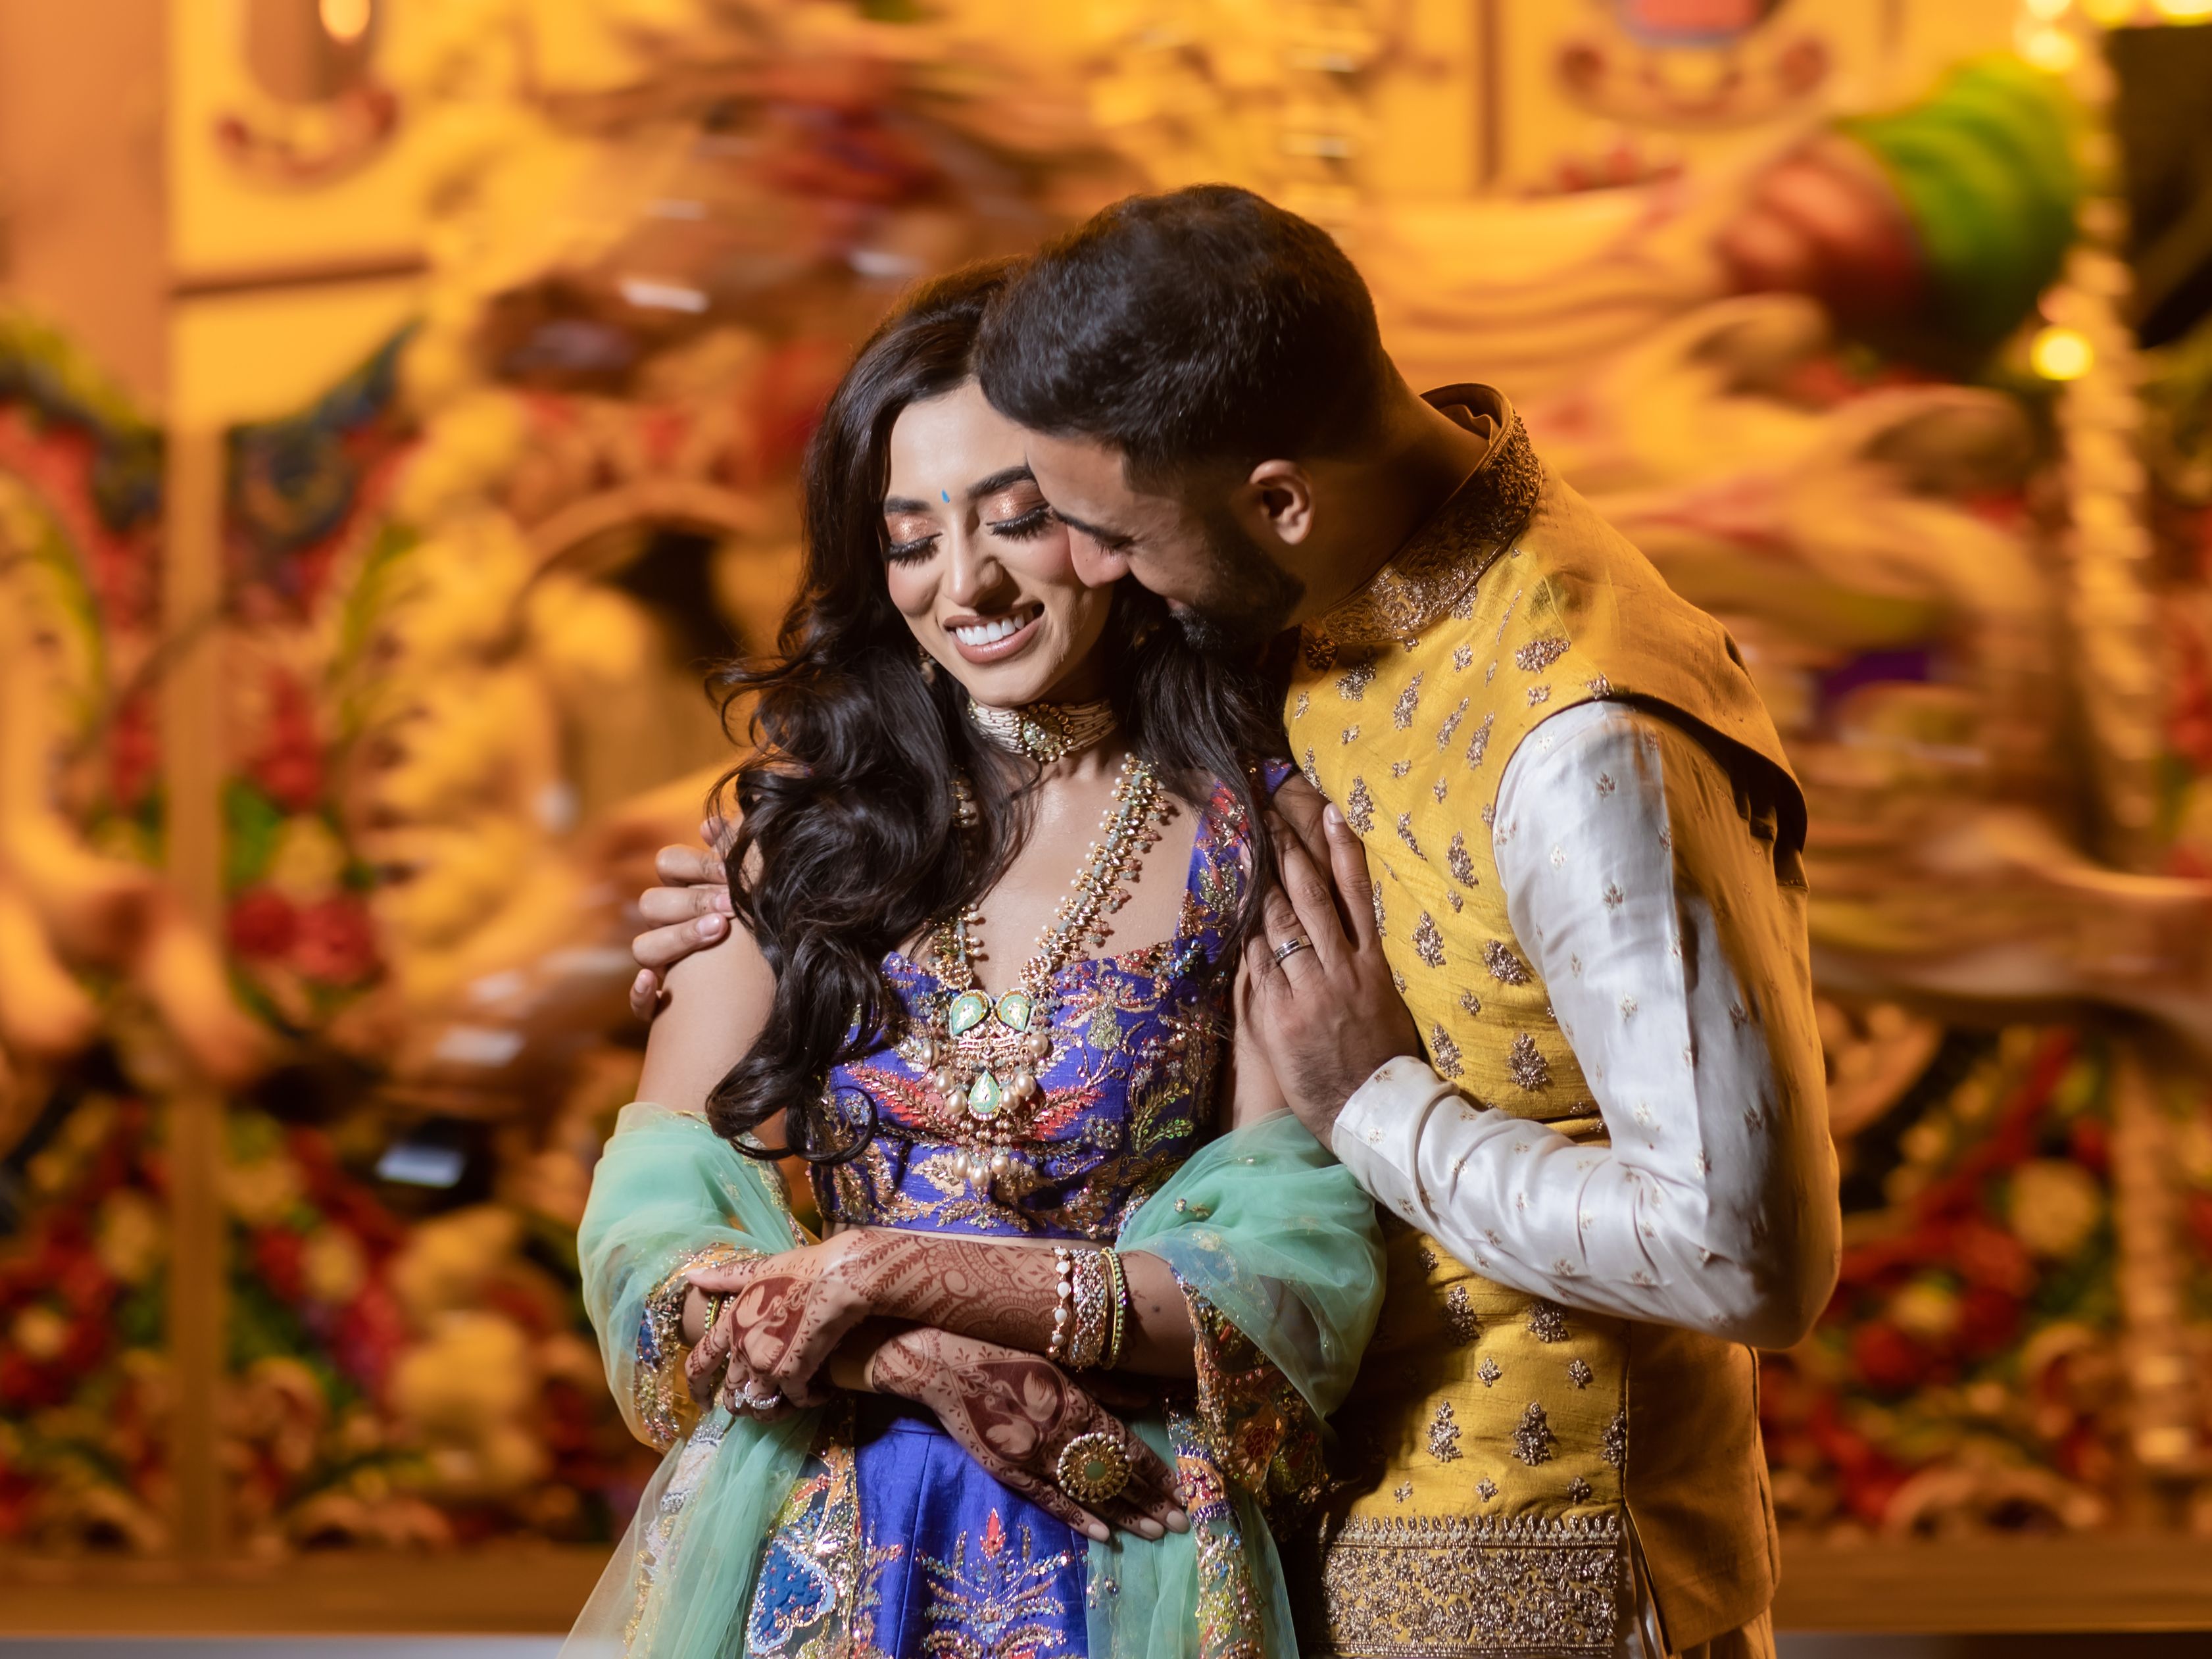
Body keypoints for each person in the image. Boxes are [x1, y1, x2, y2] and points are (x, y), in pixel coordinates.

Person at [632, 186, 1841, 1659]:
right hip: (1101, 1542)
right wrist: (780, 873)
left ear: (1271, 499)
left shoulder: (1547, 733)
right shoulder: (1302, 617)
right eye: (915, 539)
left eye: (1068, 525)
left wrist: (1370, 1103)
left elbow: (1743, 1256)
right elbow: (660, 1208)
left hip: (1489, 1539)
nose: (1060, 571)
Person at [571, 259, 1384, 1659]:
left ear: (1112, 517)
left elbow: (1278, 1287)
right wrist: (906, 1347)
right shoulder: (796, 844)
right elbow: (648, 1251)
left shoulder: (1257, 840)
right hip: (804, 1539)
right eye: (910, 540)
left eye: (1017, 522)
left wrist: (890, 1266)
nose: (967, 584)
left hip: (1124, 1540)